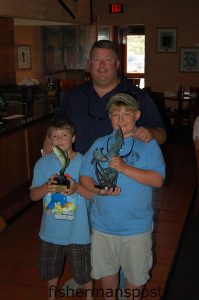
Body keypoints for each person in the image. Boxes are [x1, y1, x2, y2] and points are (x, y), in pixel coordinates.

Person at [79, 93, 166, 300]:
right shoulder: (99, 144)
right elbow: (84, 177)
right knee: (107, 273)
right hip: (102, 226)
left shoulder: (148, 145)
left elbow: (158, 180)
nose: (121, 119)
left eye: (127, 114)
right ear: (109, 117)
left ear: (137, 115)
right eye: (116, 114)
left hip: (135, 229)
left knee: (135, 278)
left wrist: (125, 168)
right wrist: (97, 189)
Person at [44, 39, 166, 155]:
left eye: (108, 60)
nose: (102, 65)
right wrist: (48, 140)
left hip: (122, 171)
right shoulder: (74, 95)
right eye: (96, 59)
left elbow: (162, 134)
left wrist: (150, 134)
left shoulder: (137, 96)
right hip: (78, 170)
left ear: (117, 64)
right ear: (89, 64)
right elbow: (56, 123)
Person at [30, 118, 93, 300]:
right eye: (54, 136)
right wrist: (46, 187)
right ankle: (51, 297)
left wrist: (77, 188)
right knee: (50, 269)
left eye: (64, 135)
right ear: (49, 140)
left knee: (84, 270)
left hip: (79, 231)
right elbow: (33, 196)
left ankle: (90, 297)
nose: (59, 140)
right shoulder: (42, 164)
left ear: (73, 138)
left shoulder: (84, 163)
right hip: (50, 231)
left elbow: (95, 197)